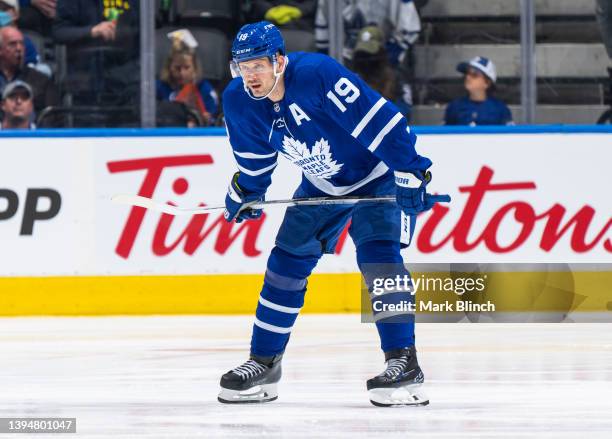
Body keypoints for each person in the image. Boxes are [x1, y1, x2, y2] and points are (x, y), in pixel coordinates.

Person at [218, 21, 450, 407]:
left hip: (376, 176)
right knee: (284, 265)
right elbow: (256, 159)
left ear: (279, 61)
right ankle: (264, 363)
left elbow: (381, 120)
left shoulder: (317, 75)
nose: (250, 76)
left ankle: (403, 363)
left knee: (380, 262)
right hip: (321, 185)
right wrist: (247, 190)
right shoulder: (238, 100)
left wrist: (411, 170)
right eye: (242, 66)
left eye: (257, 65)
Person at [157, 30, 219, 126]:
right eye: (177, 68)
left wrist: (207, 118)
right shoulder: (159, 88)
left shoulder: (204, 88)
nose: (182, 73)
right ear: (169, 67)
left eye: (186, 67)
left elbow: (215, 119)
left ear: (195, 67)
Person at [352, 25, 413, 120]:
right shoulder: (351, 78)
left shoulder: (396, 76)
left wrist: (381, 115)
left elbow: (405, 107)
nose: (365, 59)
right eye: (362, 53)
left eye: (369, 53)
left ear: (381, 50)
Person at [0, 26, 58, 114]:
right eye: (12, 44)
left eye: (21, 44)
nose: (19, 49)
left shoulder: (41, 80)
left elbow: (52, 118)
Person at [444, 56, 513, 126]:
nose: (468, 77)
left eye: (474, 75)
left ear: (487, 83)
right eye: (467, 74)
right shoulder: (455, 107)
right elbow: (445, 134)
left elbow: (509, 135)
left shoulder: (500, 109)